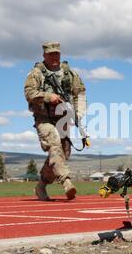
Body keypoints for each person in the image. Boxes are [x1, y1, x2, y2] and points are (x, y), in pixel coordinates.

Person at [24, 41, 86, 201]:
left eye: (56, 53)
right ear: (44, 55)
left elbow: (79, 93)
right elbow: (29, 93)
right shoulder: (36, 73)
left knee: (63, 152)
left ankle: (41, 185)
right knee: (54, 143)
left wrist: (78, 113)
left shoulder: (69, 74)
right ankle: (67, 182)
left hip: (63, 119)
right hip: (44, 118)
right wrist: (47, 96)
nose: (54, 57)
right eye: (50, 54)